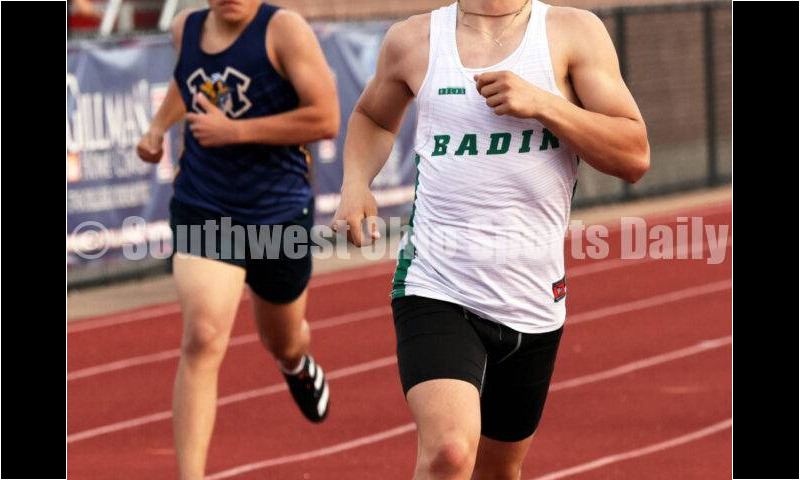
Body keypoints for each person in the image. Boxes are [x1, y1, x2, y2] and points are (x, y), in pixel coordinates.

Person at [333, 0, 649, 478]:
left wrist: (545, 103)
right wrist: (356, 184)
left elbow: (633, 155)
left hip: (533, 298)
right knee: (450, 452)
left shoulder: (573, 32)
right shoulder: (413, 38)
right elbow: (374, 118)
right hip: (437, 284)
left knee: (498, 471)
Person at [136, 1, 339, 478]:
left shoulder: (284, 31)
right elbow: (187, 84)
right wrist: (158, 126)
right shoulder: (186, 28)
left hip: (278, 213)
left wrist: (237, 131)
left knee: (283, 339)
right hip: (206, 204)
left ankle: (296, 365)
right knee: (203, 336)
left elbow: (325, 118)